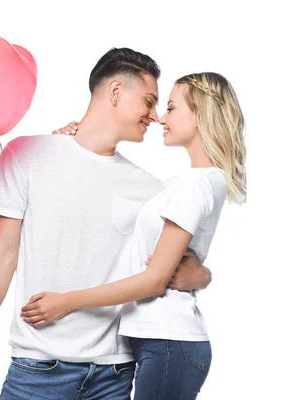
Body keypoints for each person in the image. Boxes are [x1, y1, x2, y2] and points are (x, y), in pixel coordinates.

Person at [0, 47, 212, 400]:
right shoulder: (24, 156)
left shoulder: (151, 189)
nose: (155, 116)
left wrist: (204, 276)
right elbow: (4, 253)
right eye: (149, 101)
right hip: (37, 368)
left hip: (114, 373)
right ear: (115, 92)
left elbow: (180, 266)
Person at [21, 72, 247, 399]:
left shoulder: (195, 184)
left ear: (200, 115)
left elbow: (154, 280)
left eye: (171, 108)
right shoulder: (185, 183)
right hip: (159, 343)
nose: (161, 118)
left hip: (169, 342)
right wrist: (74, 147)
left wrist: (66, 302)